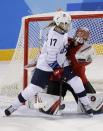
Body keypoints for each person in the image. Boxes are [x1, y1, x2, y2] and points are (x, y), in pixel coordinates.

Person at [5, 11, 93, 116]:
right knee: (34, 88)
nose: (67, 25)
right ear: (59, 24)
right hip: (46, 65)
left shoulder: (62, 32)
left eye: (67, 23)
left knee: (76, 81)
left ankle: (86, 104)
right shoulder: (54, 38)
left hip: (61, 62)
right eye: (64, 23)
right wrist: (56, 69)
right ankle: (13, 106)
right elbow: (50, 58)